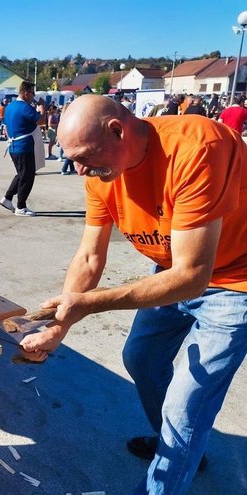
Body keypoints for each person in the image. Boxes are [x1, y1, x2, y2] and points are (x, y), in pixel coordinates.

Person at [20, 95, 246, 495]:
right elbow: (90, 257)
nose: (79, 170)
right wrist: (60, 325)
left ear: (117, 130)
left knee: (185, 404)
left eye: (85, 158)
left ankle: (170, 465)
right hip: (173, 270)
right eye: (72, 159)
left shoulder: (196, 147)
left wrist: (89, 304)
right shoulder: (100, 173)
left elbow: (194, 276)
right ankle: (179, 446)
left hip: (235, 281)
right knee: (140, 358)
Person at [0, 81, 41, 217]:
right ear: (26, 93)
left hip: (13, 146)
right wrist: (42, 107)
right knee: (27, 177)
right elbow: (41, 120)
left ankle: (8, 198)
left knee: (21, 174)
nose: (33, 96)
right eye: (32, 93)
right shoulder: (25, 107)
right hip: (23, 146)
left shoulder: (10, 106)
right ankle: (21, 207)